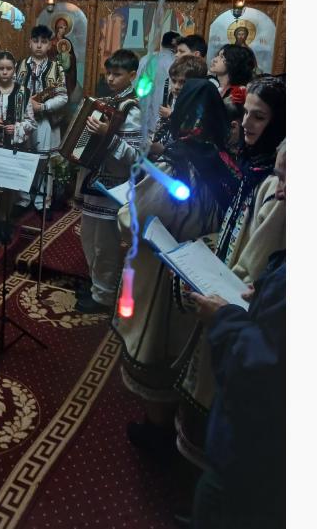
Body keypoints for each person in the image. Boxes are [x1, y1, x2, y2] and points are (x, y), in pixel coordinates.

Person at [111, 80, 239, 459]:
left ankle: (157, 428)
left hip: (164, 268)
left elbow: (138, 215)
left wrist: (125, 212)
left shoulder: (175, 165)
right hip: (204, 269)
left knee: (158, 345)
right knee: (187, 346)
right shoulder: (226, 162)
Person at [176, 76, 285, 468]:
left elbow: (255, 256)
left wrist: (213, 275)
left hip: (237, 295)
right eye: (246, 113)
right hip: (224, 274)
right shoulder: (254, 164)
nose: (247, 124)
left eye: (260, 117)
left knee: (217, 382)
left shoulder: (275, 185)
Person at [189, 142, 285, 529]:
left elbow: (265, 365)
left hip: (258, 450)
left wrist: (224, 318)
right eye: (280, 178)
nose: (281, 193)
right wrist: (266, 289)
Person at [75, 50, 146, 314]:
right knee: (88, 236)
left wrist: (108, 135)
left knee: (104, 244)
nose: (111, 79)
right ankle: (96, 283)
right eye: (109, 73)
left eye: (117, 74)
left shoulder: (133, 109)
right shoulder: (106, 102)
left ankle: (103, 295)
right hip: (93, 180)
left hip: (114, 185)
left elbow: (136, 156)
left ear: (132, 75)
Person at [0, 51, 35, 243]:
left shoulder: (23, 92)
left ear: (14, 70)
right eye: (1, 68)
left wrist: (17, 128)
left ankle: (4, 221)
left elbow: (30, 122)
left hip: (12, 148)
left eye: (8, 68)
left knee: (7, 187)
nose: (5, 72)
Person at [16, 26, 68, 209]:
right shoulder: (19, 66)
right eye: (35, 41)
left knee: (44, 162)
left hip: (46, 120)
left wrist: (43, 106)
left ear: (50, 45)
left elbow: (63, 97)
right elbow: (12, 91)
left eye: (44, 42)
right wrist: (25, 104)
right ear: (29, 43)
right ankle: (23, 200)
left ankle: (42, 203)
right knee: (23, 158)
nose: (39, 45)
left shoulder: (56, 68)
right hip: (23, 120)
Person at [149, 54, 208, 159]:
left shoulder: (201, 105)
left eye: (183, 82)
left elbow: (192, 143)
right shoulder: (175, 98)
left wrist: (164, 150)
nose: (176, 87)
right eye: (174, 81)